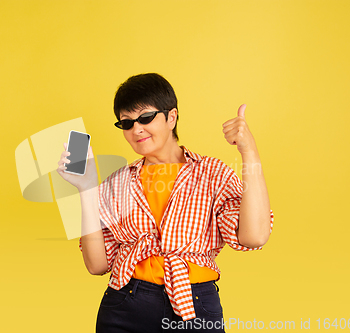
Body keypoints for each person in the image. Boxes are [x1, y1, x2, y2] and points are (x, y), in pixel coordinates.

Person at [56, 73, 274, 332]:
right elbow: (97, 265)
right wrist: (86, 189)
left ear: (172, 117)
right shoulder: (118, 182)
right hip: (124, 305)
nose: (136, 129)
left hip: (193, 306)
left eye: (146, 117)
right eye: (126, 123)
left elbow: (255, 237)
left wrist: (249, 151)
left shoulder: (212, 173)